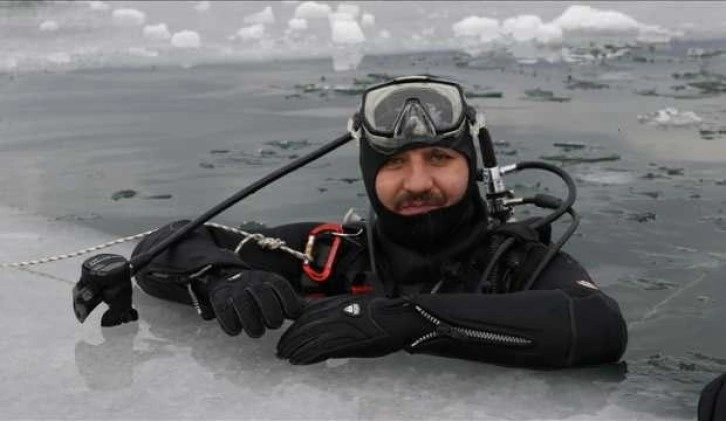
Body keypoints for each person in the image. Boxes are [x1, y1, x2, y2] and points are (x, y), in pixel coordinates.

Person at [131, 75, 627, 367]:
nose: (416, 183)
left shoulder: (515, 263)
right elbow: (165, 246)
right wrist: (224, 277)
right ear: (369, 174)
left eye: (438, 158)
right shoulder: (331, 252)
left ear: (473, 166)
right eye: (393, 164)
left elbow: (598, 326)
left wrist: (408, 320)